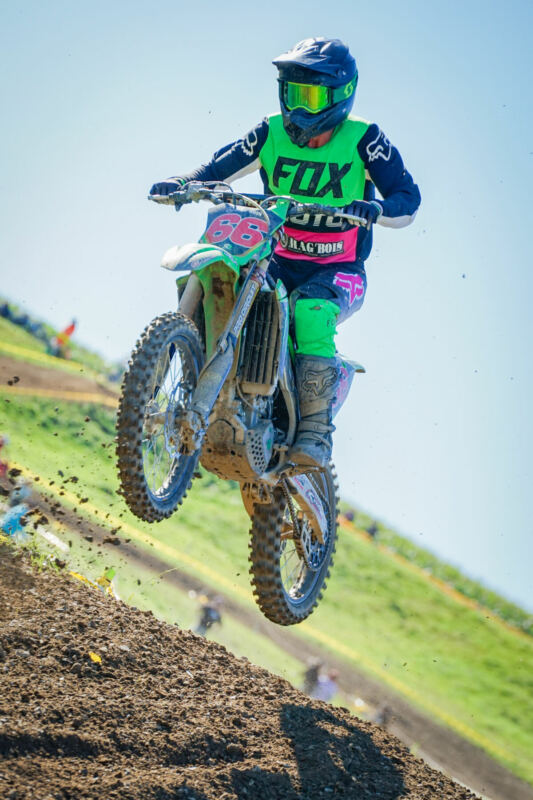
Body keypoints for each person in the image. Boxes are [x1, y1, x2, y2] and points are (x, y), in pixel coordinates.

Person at [150, 37, 421, 469]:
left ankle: (315, 433)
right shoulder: (270, 131)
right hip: (272, 258)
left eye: (310, 97)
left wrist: (376, 209)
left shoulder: (364, 139)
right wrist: (184, 182)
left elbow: (407, 198)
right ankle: (172, 385)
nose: (298, 108)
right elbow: (217, 169)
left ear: (341, 96)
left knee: (311, 311)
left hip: (338, 271)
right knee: (224, 279)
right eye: (292, 93)